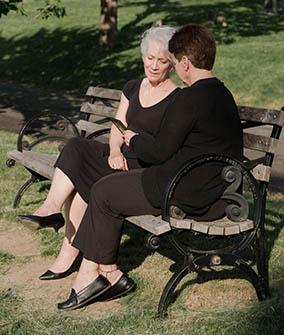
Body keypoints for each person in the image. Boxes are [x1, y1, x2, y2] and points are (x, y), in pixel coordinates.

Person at [57, 24, 243, 310]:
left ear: (184, 63)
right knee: (107, 188)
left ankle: (102, 275)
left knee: (104, 192)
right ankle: (100, 274)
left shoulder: (189, 98)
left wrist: (132, 138)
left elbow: (158, 151)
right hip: (210, 186)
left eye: (173, 60)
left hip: (183, 189)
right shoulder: (223, 94)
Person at [17, 25, 180, 280]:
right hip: (119, 158)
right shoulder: (133, 87)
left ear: (172, 64)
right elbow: (118, 125)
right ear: (143, 56)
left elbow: (164, 149)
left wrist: (130, 151)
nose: (154, 66)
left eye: (162, 61)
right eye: (150, 58)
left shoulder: (177, 99)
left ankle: (67, 255)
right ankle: (50, 208)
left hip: (142, 170)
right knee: (76, 147)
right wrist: (114, 150)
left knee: (84, 185)